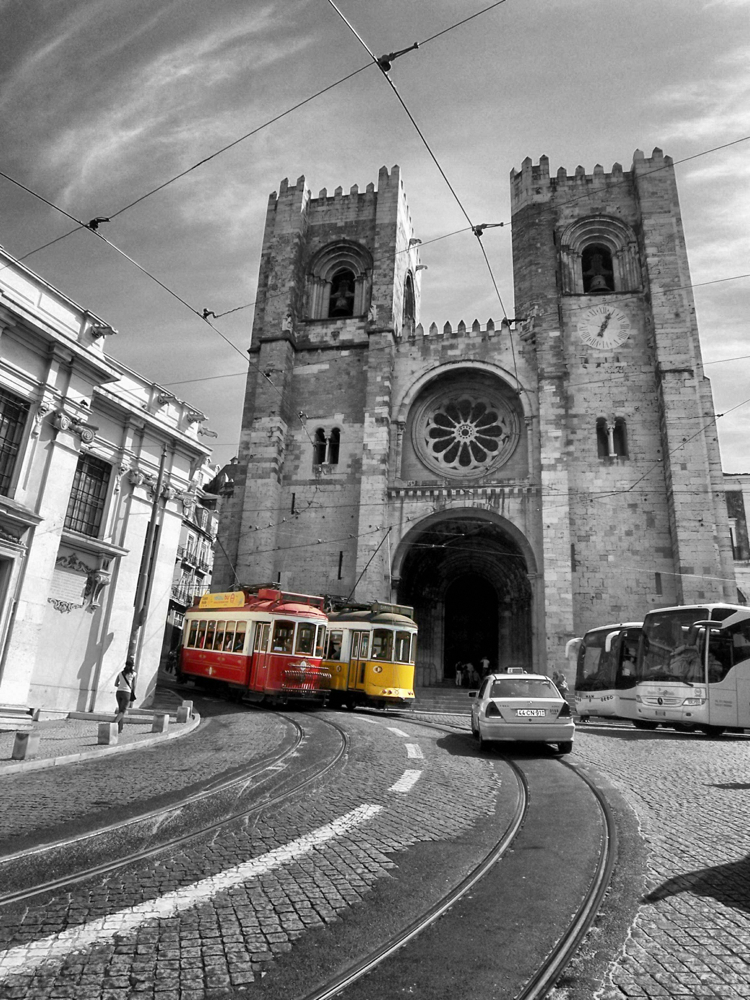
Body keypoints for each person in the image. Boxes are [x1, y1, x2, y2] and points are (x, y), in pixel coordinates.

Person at [114, 660, 136, 733]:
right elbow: (134, 686)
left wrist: (121, 686)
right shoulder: (133, 674)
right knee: (123, 711)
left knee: (120, 710)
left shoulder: (120, 673)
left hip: (119, 692)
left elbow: (116, 684)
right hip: (127, 693)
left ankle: (119, 728)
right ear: (132, 665)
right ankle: (113, 724)